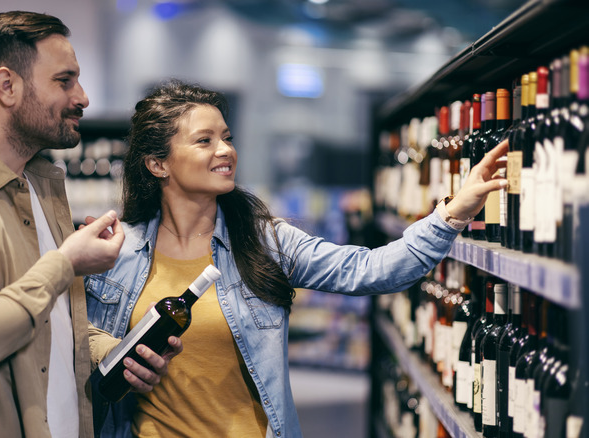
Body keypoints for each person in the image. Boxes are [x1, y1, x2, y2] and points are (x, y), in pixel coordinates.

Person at [84, 79, 509, 437]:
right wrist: (105, 349)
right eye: (204, 140)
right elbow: (69, 335)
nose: (226, 150)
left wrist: (453, 213)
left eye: (228, 137)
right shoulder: (115, 252)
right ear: (158, 164)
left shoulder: (266, 243)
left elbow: (371, 270)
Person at [0, 12, 181, 437]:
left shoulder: (42, 186)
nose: (82, 97)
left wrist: (114, 351)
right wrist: (66, 263)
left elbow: (47, 323)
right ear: (7, 87)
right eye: (64, 81)